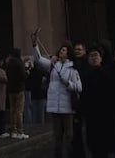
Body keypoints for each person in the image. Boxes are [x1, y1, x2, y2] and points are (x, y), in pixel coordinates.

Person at [32, 28, 82, 158]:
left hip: (67, 108)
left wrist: (68, 83)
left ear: (68, 53)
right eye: (61, 49)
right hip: (55, 107)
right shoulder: (53, 65)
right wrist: (35, 44)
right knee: (57, 137)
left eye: (64, 50)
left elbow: (79, 87)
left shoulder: (73, 69)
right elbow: (38, 60)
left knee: (69, 136)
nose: (61, 51)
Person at [6, 47, 28, 139]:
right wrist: (27, 72)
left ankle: (13, 130)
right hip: (19, 89)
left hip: (11, 89)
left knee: (12, 110)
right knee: (19, 111)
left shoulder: (9, 63)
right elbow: (23, 76)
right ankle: (20, 131)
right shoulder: (19, 63)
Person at [26, 57, 47, 125]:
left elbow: (28, 84)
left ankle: (34, 126)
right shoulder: (43, 72)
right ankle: (41, 126)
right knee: (41, 113)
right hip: (41, 94)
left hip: (33, 94)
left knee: (34, 113)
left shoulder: (31, 72)